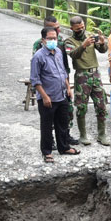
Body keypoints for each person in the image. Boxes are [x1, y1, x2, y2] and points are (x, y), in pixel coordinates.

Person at [31, 27, 80, 162]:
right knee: (47, 126)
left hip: (61, 94)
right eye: (50, 38)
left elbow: (63, 71)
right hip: (48, 97)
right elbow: (35, 79)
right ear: (43, 40)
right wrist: (45, 96)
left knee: (62, 123)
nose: (53, 40)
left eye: (55, 38)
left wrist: (68, 87)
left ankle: (63, 147)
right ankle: (47, 152)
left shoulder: (58, 51)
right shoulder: (38, 57)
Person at [64, 16, 110, 146]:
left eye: (82, 27)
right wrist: (83, 45)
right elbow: (73, 54)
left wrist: (102, 43)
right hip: (81, 75)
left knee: (101, 105)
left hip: (95, 74)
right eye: (78, 29)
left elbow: (102, 50)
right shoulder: (69, 41)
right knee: (81, 107)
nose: (81, 30)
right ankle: (83, 135)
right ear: (72, 28)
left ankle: (102, 135)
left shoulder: (90, 36)